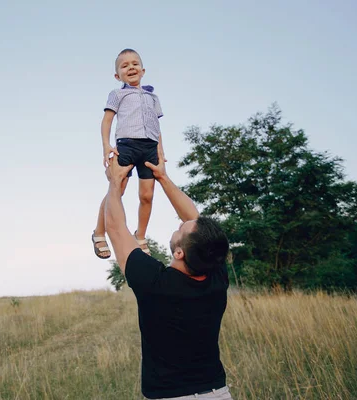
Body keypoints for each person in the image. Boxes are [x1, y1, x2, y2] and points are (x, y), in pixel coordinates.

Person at [104, 150, 233, 399]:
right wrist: (162, 177)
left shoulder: (155, 284)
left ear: (179, 253)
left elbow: (115, 228)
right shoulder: (215, 276)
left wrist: (114, 182)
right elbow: (197, 222)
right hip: (217, 393)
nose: (180, 223)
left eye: (180, 229)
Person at [92, 48, 166, 259]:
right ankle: (99, 232)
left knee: (147, 195)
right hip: (126, 145)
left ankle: (140, 236)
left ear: (142, 70)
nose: (130, 67)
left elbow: (157, 127)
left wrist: (160, 152)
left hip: (149, 147)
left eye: (134, 64)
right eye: (124, 66)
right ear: (118, 75)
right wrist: (106, 146)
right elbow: (107, 120)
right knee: (117, 189)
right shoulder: (117, 94)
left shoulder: (153, 97)